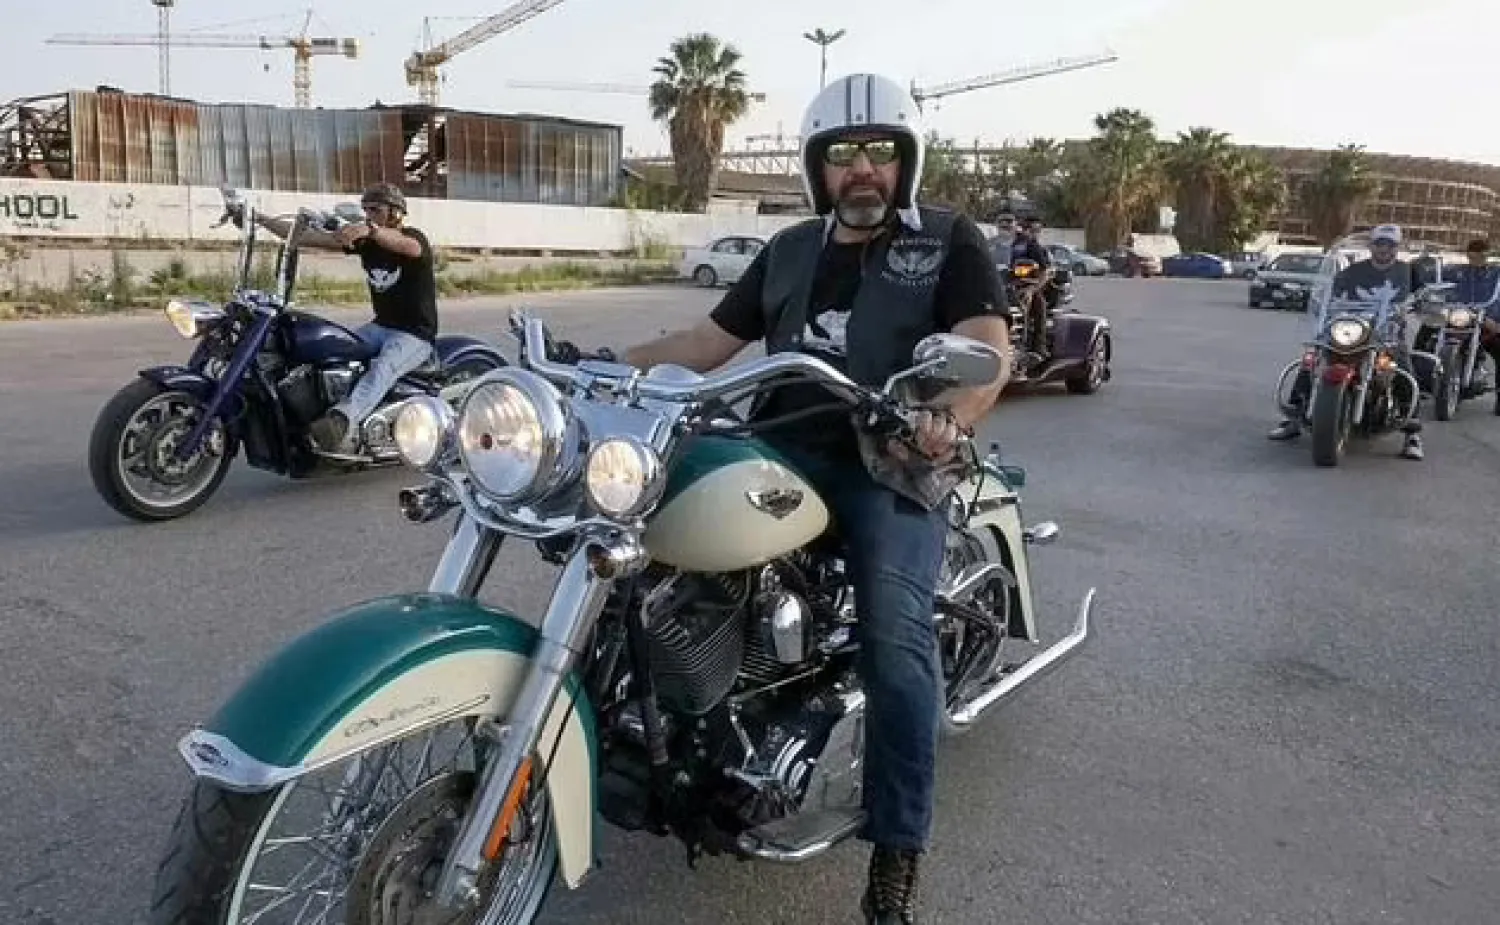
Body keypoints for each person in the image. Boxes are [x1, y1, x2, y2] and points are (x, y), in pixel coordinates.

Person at [602, 73, 1014, 923]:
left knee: (896, 640)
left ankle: (896, 851)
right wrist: (606, 364)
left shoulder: (948, 239)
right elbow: (707, 340)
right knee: (640, 552)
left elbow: (987, 346)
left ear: (905, 161)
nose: (862, 169)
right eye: (843, 154)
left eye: (879, 152)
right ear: (817, 167)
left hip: (890, 464)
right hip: (777, 444)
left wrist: (948, 416)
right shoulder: (790, 248)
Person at [253, 182, 439, 453]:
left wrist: (371, 230)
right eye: (366, 210)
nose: (369, 215)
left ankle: (342, 420)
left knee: (383, 367)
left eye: (375, 210)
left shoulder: (413, 238)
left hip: (414, 334)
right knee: (333, 346)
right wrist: (260, 219)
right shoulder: (366, 243)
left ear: (395, 213)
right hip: (381, 326)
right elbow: (307, 237)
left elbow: (406, 246)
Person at [1267, 223, 1426, 459]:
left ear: (1397, 247)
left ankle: (1412, 433)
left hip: (1388, 330)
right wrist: (1318, 299)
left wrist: (1419, 303)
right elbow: (1330, 291)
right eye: (1380, 243)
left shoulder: (1408, 271)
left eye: (1390, 245)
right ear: (1371, 245)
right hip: (1350, 326)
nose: (1384, 249)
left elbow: (1423, 294)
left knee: (1401, 365)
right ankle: (1293, 418)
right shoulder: (1353, 270)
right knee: (1313, 359)